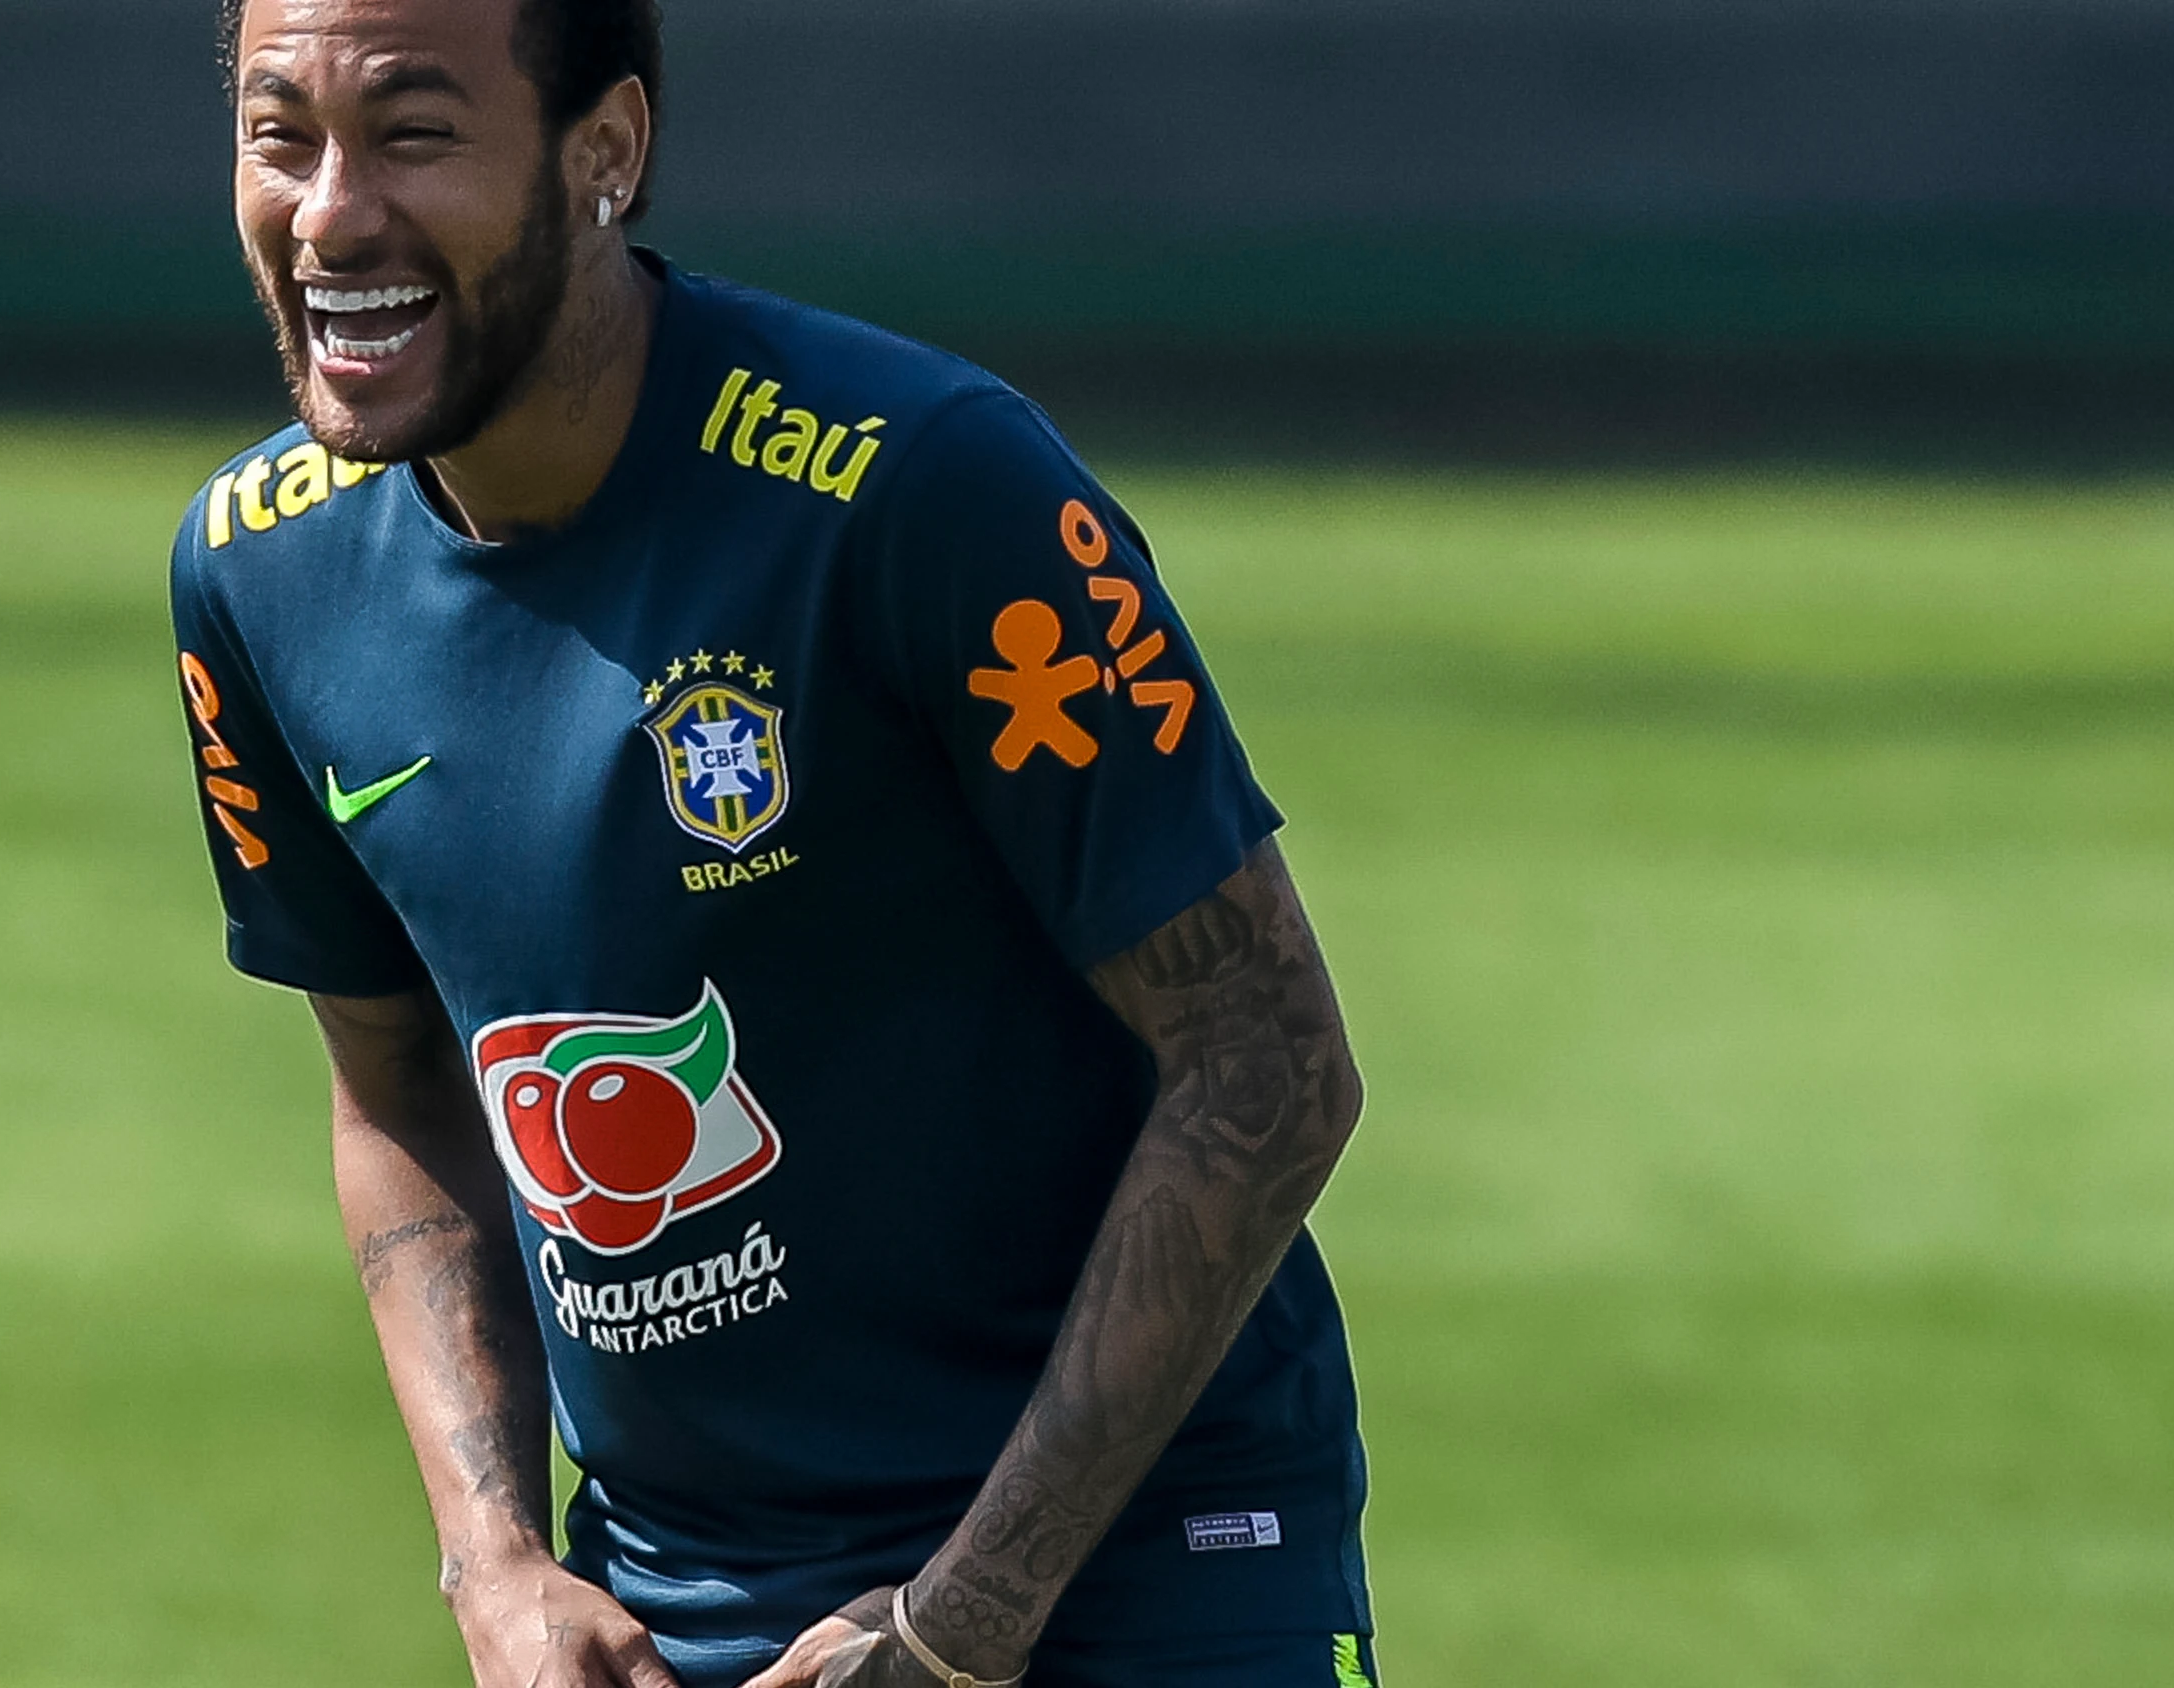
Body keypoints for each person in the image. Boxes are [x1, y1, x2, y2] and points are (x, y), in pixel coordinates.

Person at [172, 1, 1377, 1683]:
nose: (331, 214)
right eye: (279, 135)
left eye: (414, 135)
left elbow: (1267, 1058)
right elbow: (392, 1080)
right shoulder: (253, 573)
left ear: (608, 154)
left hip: (1143, 1577)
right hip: (685, 1610)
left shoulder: (924, 490)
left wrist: (967, 1620)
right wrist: (497, 1562)